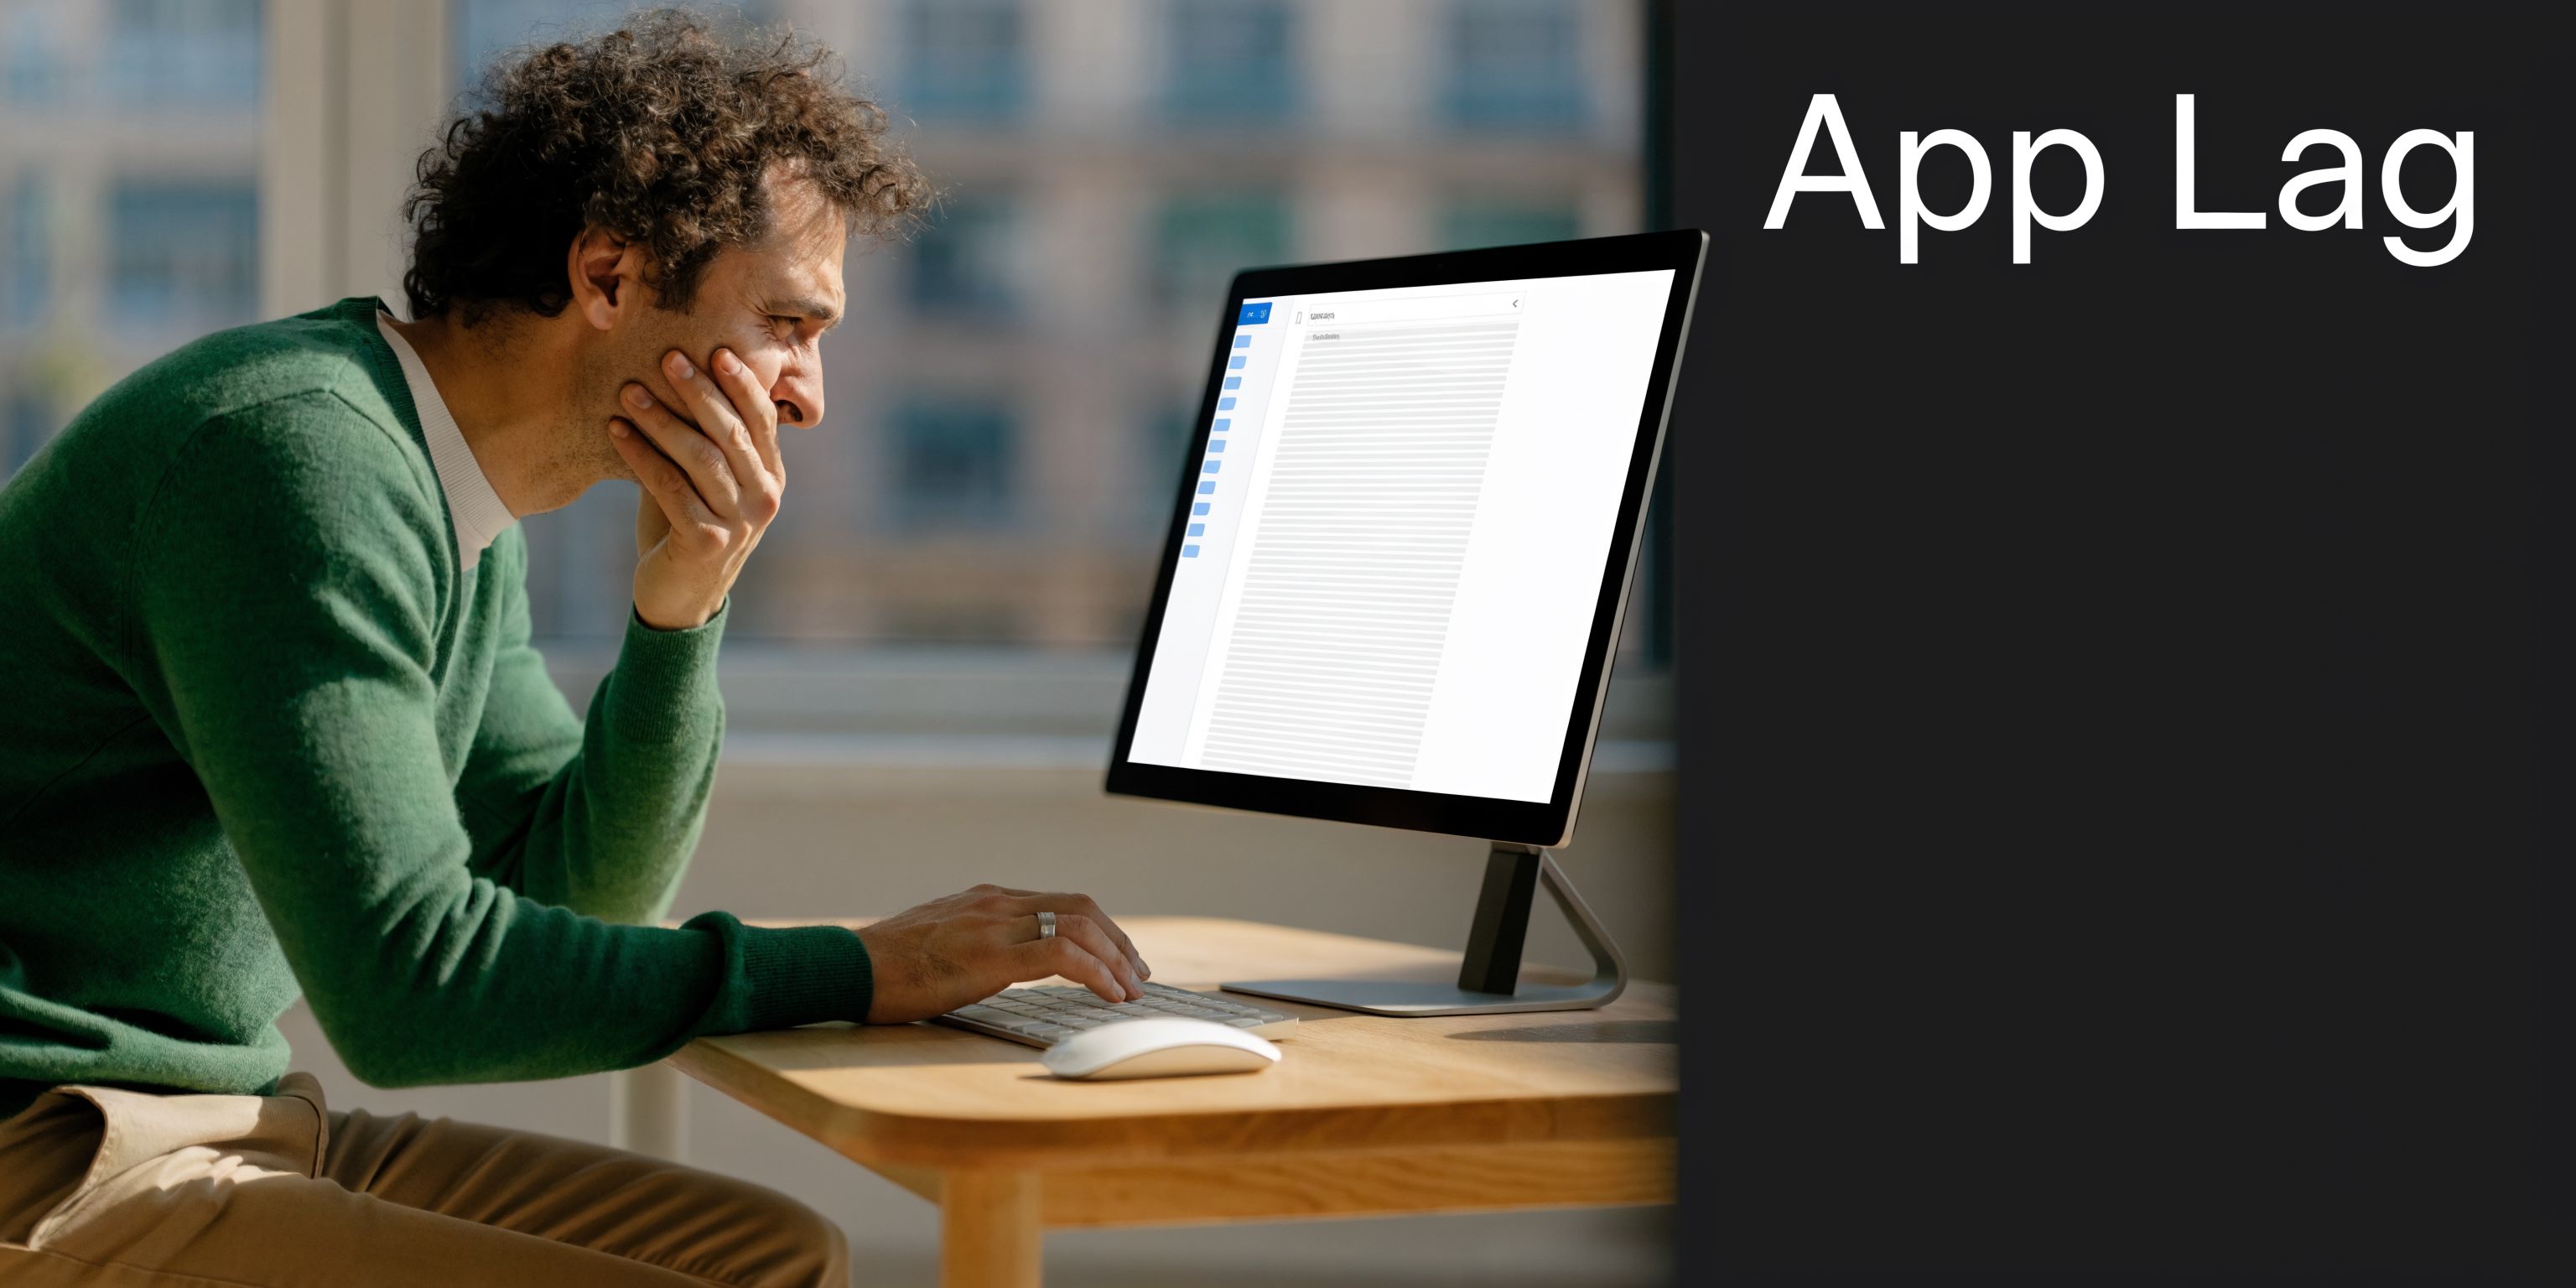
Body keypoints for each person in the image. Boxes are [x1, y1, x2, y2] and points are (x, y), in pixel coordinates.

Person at [0, 12, 1142, 1285]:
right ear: (607, 278)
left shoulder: (458, 507)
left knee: (768, 1253)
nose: (809, 395)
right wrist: (869, 966)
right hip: (46, 1145)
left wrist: (681, 616)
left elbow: (581, 901)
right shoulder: (296, 459)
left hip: (220, 1120)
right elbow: (412, 991)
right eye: (788, 324)